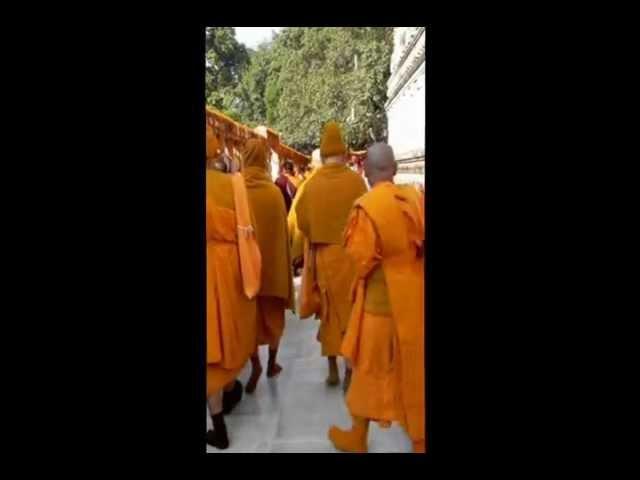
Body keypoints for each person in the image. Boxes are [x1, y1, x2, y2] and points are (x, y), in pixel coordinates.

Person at [328, 143, 426, 453]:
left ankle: (358, 436)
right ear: (395, 169)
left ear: (367, 172)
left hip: (380, 307)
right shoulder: (416, 198)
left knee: (367, 371)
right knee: (414, 369)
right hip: (415, 301)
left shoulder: (367, 207)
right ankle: (419, 440)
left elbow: (361, 260)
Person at [294, 121, 367, 388]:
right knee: (349, 313)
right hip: (351, 256)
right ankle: (350, 370)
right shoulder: (356, 181)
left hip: (324, 256)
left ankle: (332, 368)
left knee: (328, 314)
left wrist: (317, 232)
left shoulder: (312, 184)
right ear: (345, 152)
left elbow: (302, 221)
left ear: (324, 153)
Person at [206, 123, 260, 449]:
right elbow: (248, 231)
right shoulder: (233, 185)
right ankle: (229, 389)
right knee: (227, 334)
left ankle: (218, 426)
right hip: (230, 269)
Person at [241, 138, 295, 394]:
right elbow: (282, 234)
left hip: (246, 271)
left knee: (249, 322)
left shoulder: (237, 191)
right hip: (272, 270)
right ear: (263, 159)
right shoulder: (273, 192)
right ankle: (272, 364)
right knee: (274, 320)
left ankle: (255, 366)